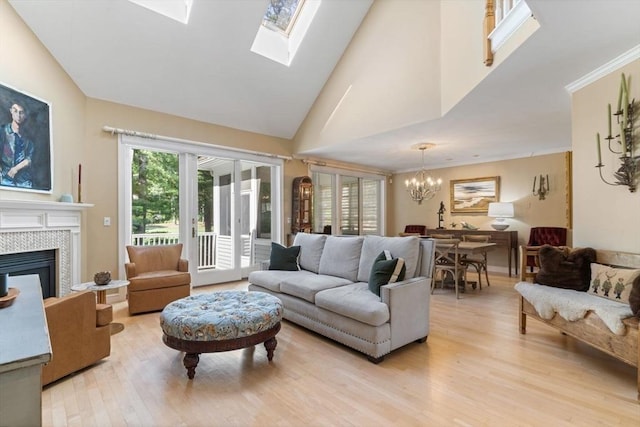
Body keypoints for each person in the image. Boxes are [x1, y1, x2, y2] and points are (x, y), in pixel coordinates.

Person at [0, 102, 34, 188]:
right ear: (11, 111)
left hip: (24, 180)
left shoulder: (28, 136)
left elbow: (29, 158)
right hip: (5, 178)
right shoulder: (2, 131)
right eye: (15, 111)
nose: (18, 115)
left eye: (21, 112)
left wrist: (15, 169)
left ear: (25, 115)